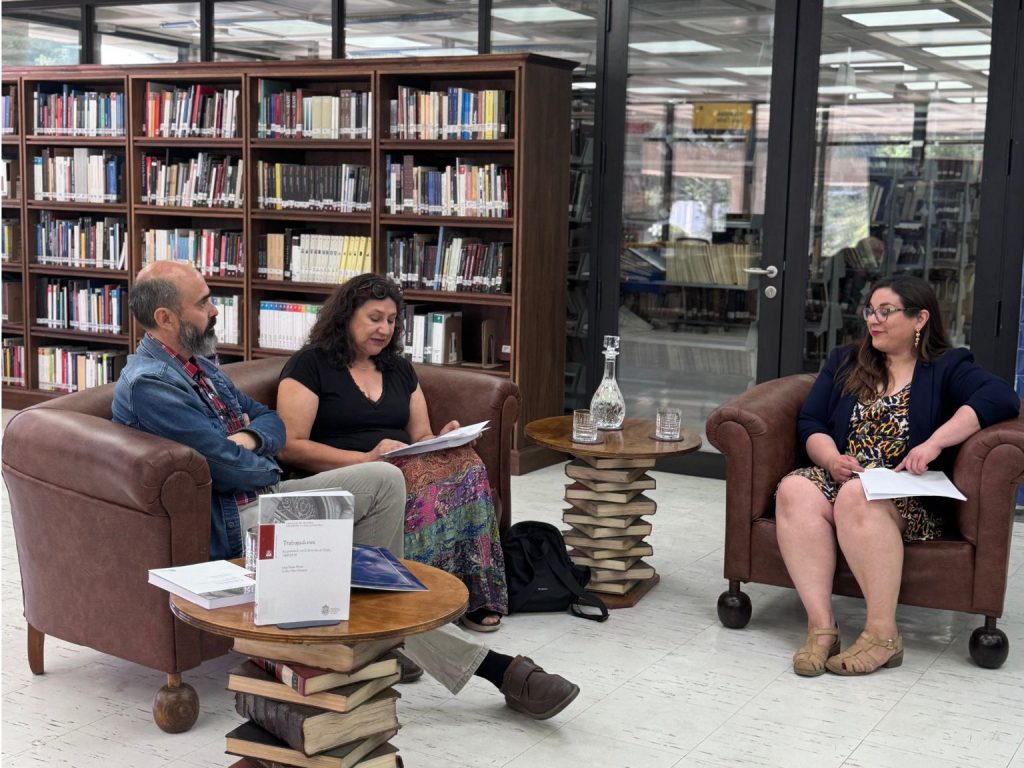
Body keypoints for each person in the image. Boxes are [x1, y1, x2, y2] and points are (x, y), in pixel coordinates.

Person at [112, 260, 579, 719]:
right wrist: (257, 453)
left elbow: (268, 421)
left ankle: (383, 634)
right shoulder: (152, 384)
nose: (215, 310)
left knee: (384, 478)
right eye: (205, 303)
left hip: (267, 496)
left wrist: (252, 439)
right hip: (238, 518)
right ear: (165, 318)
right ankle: (496, 670)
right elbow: (236, 469)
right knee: (364, 536)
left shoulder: (202, 367)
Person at [776, 274, 1019, 677]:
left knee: (858, 494)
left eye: (886, 312)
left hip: (905, 491)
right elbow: (811, 420)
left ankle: (883, 636)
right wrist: (832, 458)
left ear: (919, 318)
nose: (874, 320)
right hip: (843, 475)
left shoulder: (947, 366)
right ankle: (821, 629)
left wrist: (935, 443)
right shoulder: (846, 360)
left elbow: (1001, 397)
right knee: (794, 489)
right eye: (870, 311)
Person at [276, 274, 507, 632]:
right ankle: (415, 600)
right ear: (346, 317)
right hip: (345, 474)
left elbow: (421, 435)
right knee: (408, 479)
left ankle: (469, 594)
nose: (384, 329)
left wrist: (444, 440)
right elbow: (290, 446)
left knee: (467, 464)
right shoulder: (310, 365)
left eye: (391, 320)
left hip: (399, 463)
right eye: (374, 318)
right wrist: (367, 458)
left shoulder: (398, 367)